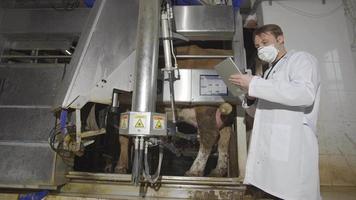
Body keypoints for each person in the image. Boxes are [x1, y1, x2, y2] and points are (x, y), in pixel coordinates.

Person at [229, 24, 321, 200]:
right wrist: (250, 97)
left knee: (293, 192)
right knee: (273, 191)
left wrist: (255, 84)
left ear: (280, 39)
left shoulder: (301, 59)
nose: (261, 48)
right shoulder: (269, 72)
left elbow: (304, 93)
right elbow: (258, 114)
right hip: (272, 147)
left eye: (265, 42)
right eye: (257, 46)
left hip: (293, 144)